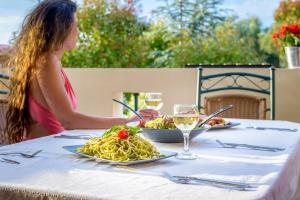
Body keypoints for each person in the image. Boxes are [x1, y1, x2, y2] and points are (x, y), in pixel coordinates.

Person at [5, 0, 158, 144]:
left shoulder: (50, 61)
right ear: (61, 29)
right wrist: (125, 122)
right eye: (75, 26)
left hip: (52, 147)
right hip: (45, 153)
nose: (78, 32)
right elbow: (69, 120)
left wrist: (127, 122)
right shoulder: (46, 61)